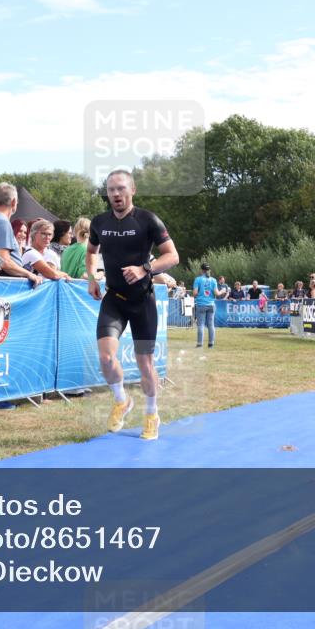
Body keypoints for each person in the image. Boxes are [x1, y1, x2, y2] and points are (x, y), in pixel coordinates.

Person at [86, 169, 179, 441]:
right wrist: (92, 277)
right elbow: (91, 253)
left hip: (142, 301)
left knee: (145, 365)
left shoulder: (147, 220)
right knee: (105, 356)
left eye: (121, 189)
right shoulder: (99, 222)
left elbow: (172, 256)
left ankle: (152, 415)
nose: (116, 194)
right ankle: (121, 400)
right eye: (111, 189)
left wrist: (144, 269)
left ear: (132, 190)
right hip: (114, 299)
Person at [0, 183, 42, 285]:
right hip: (3, 283)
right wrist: (29, 274)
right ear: (13, 202)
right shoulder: (2, 222)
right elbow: (3, 261)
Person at [192, 262, 224, 348]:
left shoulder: (198, 279)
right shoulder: (213, 280)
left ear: (201, 270)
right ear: (208, 270)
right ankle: (211, 343)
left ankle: (199, 344)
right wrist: (223, 291)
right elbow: (217, 293)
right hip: (211, 304)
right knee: (211, 325)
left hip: (201, 304)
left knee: (201, 325)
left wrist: (200, 293)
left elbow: (194, 293)